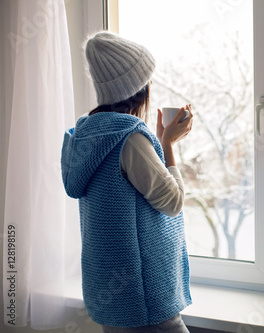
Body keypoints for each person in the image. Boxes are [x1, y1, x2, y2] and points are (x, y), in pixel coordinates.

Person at [61, 31, 193, 332]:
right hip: (144, 298)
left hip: (111, 299)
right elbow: (172, 203)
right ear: (137, 88)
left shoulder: (87, 134)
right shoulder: (129, 138)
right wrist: (168, 144)